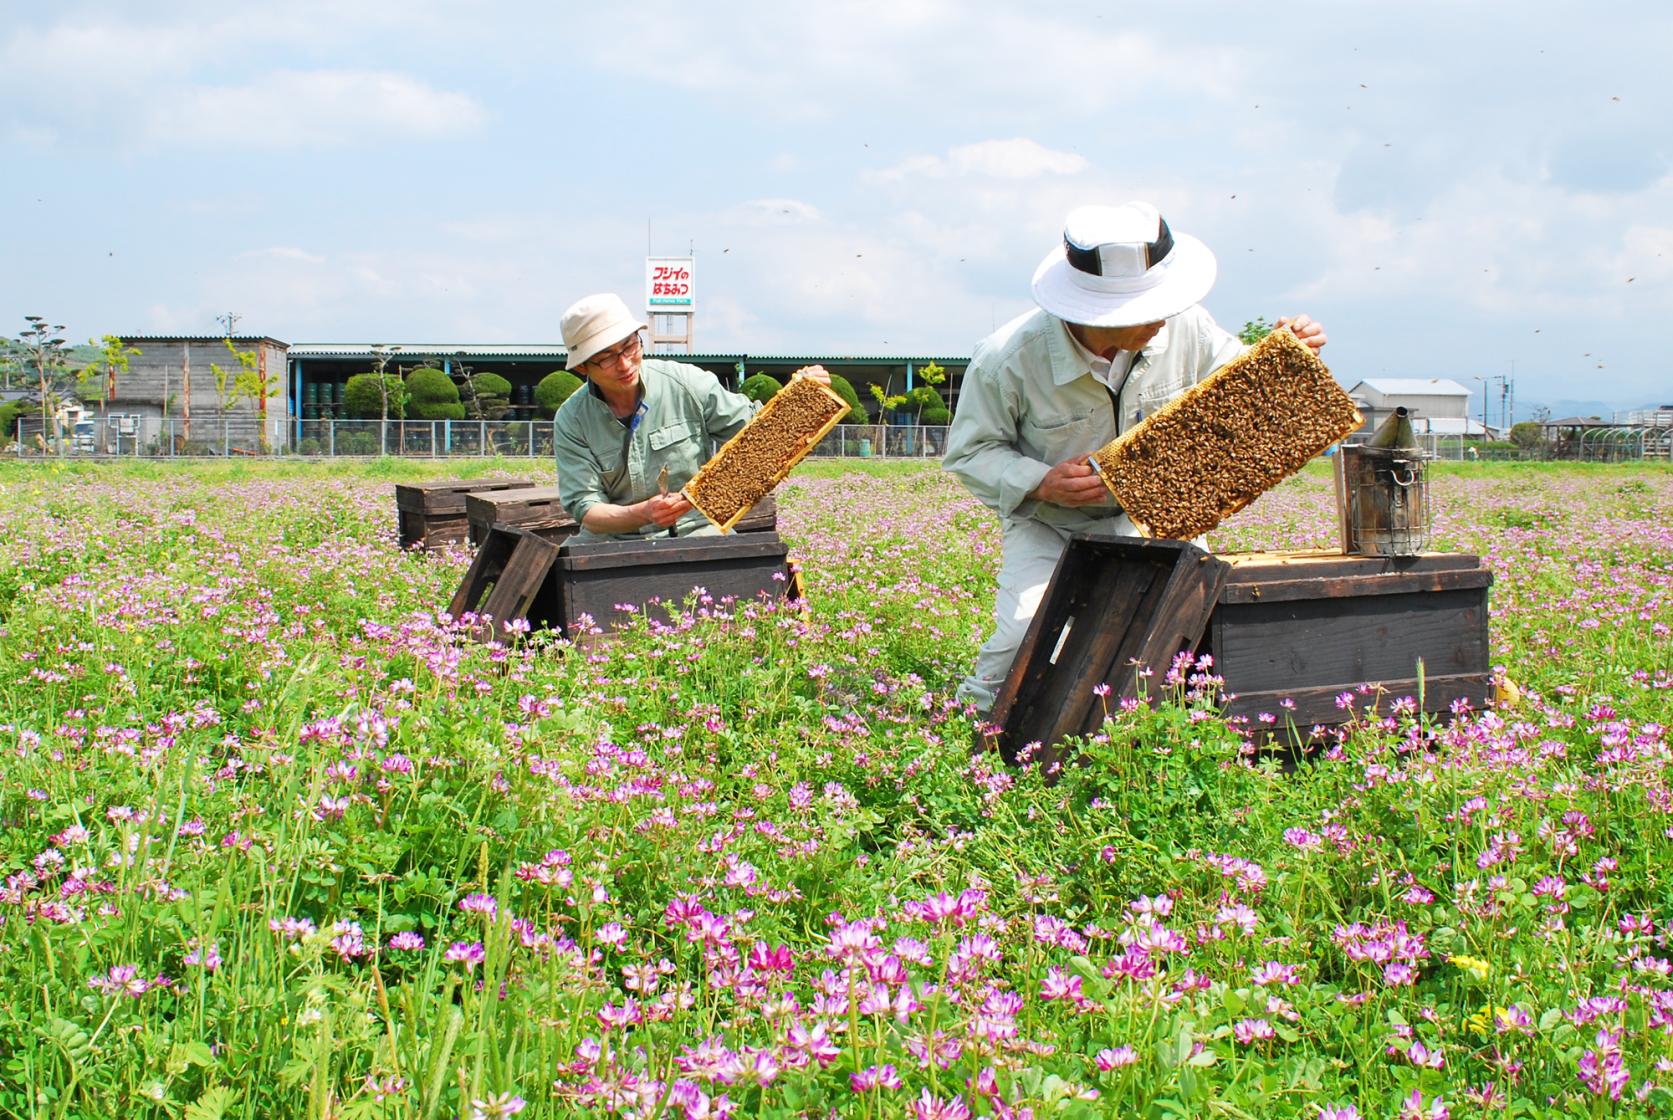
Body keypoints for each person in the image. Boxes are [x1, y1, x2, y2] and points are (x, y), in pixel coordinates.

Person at [943, 202, 1327, 713]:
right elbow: (970, 453)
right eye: (1150, 308)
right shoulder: (1007, 358)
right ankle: (970, 725)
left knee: (1196, 619)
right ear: (1096, 314)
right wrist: (1040, 481)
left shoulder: (1186, 327)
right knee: (1023, 631)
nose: (1163, 316)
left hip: (1153, 514)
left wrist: (1287, 351)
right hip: (1050, 521)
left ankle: (1185, 726)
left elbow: (1241, 383)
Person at [553, 292, 829, 540]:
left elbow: (762, 433)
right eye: (607, 358)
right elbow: (586, 508)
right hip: (613, 539)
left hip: (696, 529)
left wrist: (802, 396)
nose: (624, 364)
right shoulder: (572, 420)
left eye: (629, 347)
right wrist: (642, 513)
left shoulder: (686, 382)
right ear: (582, 368)